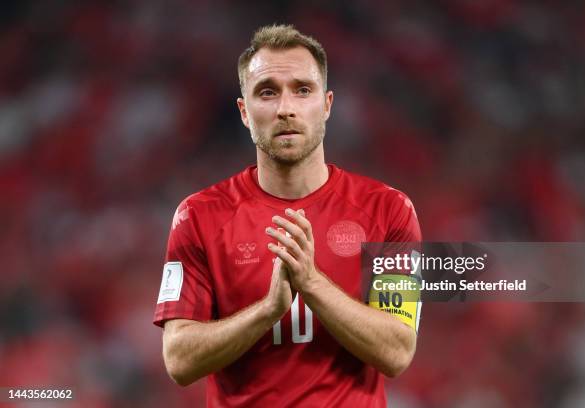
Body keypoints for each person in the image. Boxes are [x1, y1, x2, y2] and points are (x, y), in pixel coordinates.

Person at [153, 24, 422, 407]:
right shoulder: (198, 216)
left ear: (327, 105)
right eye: (267, 92)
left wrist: (311, 283)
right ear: (245, 112)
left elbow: (397, 352)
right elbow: (179, 359)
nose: (285, 108)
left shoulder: (389, 210)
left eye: (302, 89)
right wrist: (268, 310)